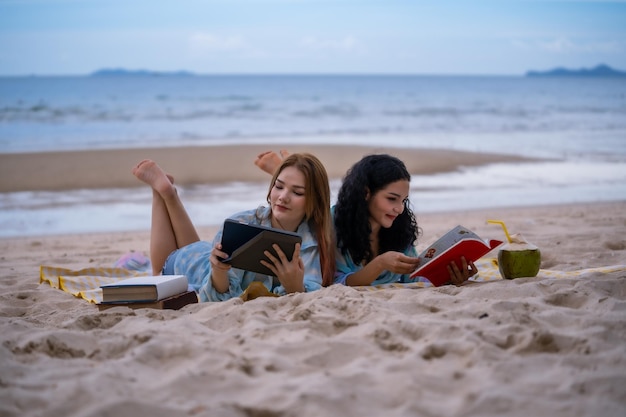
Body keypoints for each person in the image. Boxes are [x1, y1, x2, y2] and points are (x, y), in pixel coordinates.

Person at [254, 150, 477, 286]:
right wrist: (379, 264)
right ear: (366, 193)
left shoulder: (398, 227)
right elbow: (335, 281)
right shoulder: (331, 224)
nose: (399, 209)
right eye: (392, 199)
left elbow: (414, 278)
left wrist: (448, 276)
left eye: (403, 200)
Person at [132, 153, 335, 302]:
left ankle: (169, 193)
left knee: (198, 249)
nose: (282, 197)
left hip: (202, 252)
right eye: (278, 186)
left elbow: (311, 287)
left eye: (297, 192)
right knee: (159, 268)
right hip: (189, 265)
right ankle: (163, 193)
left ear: (314, 201)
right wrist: (219, 273)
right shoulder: (242, 225)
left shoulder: (311, 241)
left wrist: (295, 288)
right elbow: (213, 297)